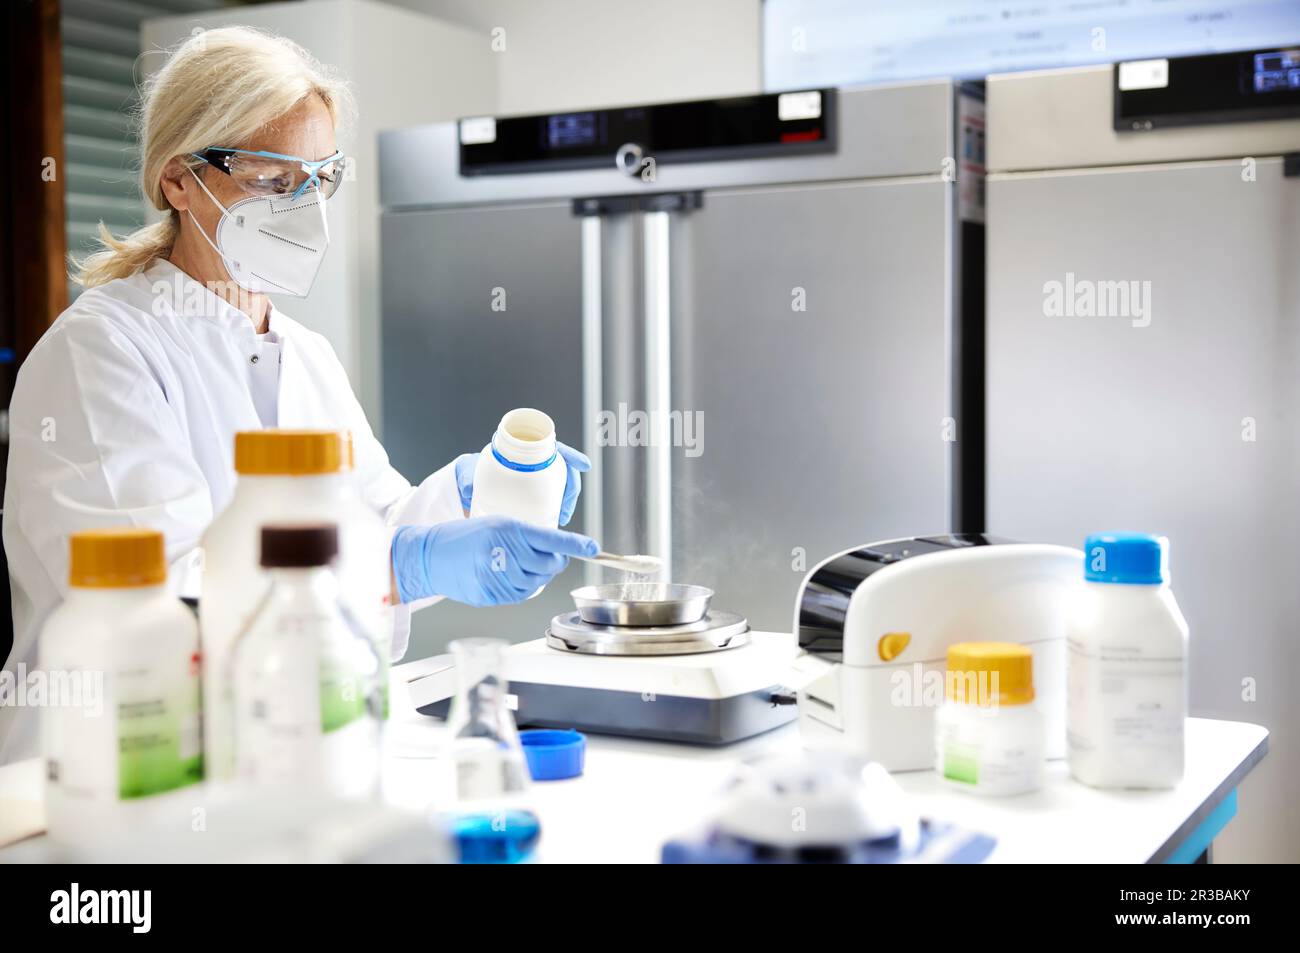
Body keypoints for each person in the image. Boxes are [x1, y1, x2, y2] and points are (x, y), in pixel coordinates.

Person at [0, 26, 596, 760]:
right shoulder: (100, 350)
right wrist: (406, 560)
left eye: (319, 178)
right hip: (109, 771)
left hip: (277, 760)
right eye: (274, 180)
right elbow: (167, 595)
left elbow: (372, 522)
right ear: (179, 178)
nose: (305, 207)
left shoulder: (304, 353)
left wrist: (472, 496)